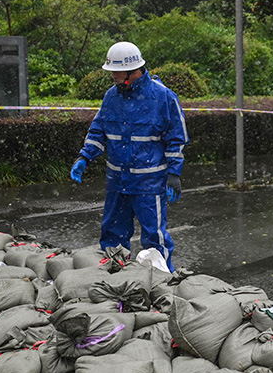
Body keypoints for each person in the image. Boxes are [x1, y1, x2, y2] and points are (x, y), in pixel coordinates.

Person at [70, 41, 188, 271]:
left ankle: (162, 282)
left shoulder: (163, 98)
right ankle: (115, 279)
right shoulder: (111, 97)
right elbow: (99, 130)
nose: (112, 75)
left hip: (149, 183)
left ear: (132, 70)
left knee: (155, 239)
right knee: (112, 236)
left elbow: (176, 137)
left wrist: (174, 173)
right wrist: (84, 157)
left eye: (116, 71)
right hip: (117, 182)